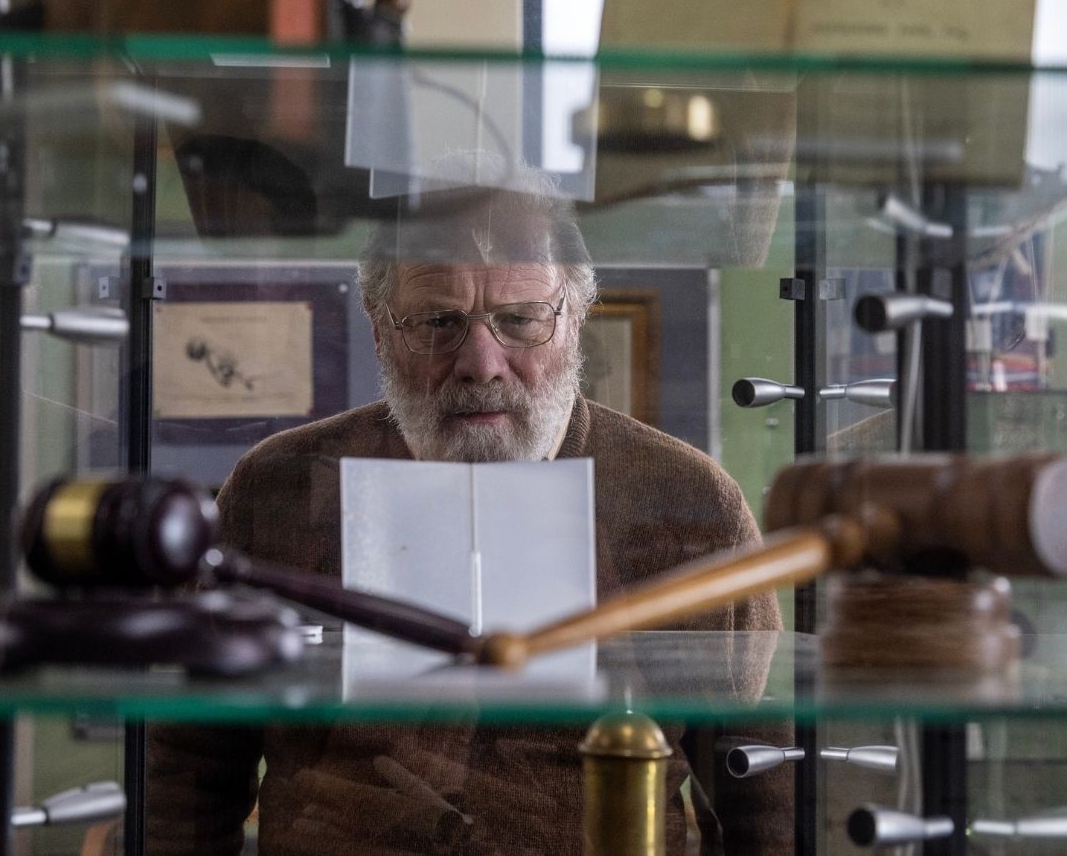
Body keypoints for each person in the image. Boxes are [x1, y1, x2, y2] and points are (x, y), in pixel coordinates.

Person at [147, 165, 792, 855]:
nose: (481, 362)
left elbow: (766, 808)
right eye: (437, 322)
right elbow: (186, 783)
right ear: (379, 325)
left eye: (519, 320)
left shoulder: (690, 504)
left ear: (576, 315)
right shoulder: (277, 488)